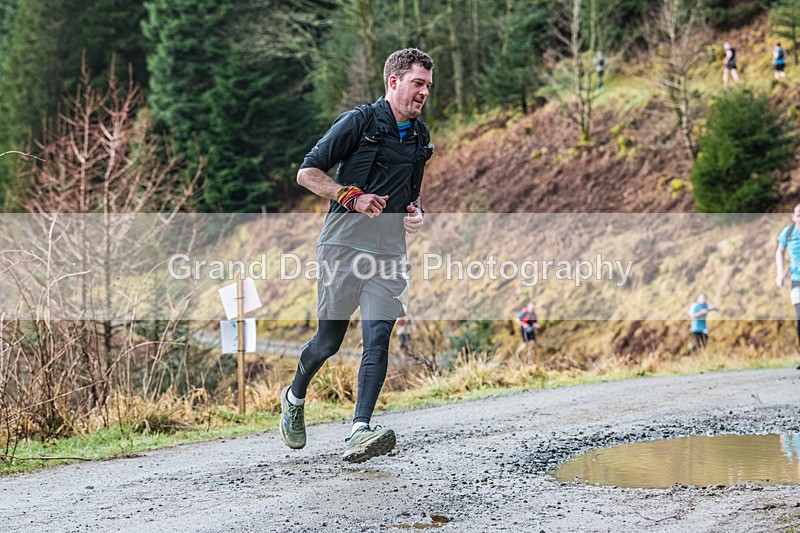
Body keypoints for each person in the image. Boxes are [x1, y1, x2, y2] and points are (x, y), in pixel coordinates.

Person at [279, 48, 435, 463]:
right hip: (342, 247)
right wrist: (350, 195)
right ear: (394, 82)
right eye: (417, 84)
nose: (423, 93)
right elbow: (307, 172)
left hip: (387, 254)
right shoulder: (359, 122)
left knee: (378, 335)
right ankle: (294, 396)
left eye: (427, 87)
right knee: (329, 341)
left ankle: (359, 429)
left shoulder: (421, 137)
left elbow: (409, 195)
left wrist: (415, 214)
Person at [775, 204, 800, 366]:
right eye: (798, 215)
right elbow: (780, 251)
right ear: (793, 216)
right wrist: (780, 273)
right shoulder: (788, 233)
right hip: (797, 281)